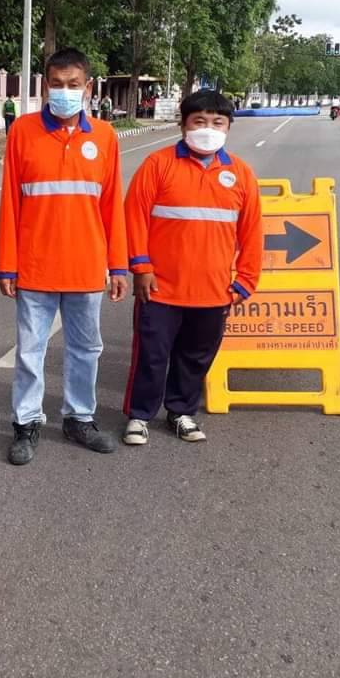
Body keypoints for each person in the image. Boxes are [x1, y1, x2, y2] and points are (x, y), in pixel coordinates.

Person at [0, 47, 128, 465]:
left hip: (87, 267)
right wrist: (7, 264)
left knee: (86, 349)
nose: (65, 91)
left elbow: (112, 206)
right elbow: (10, 204)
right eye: (57, 84)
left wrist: (118, 265)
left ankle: (79, 418)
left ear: (88, 88)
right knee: (29, 352)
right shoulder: (23, 132)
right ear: (45, 87)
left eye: (74, 85)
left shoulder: (104, 137)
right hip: (35, 266)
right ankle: (26, 422)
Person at [121, 90, 263, 446]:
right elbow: (133, 217)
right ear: (183, 124)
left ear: (228, 127)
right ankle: (139, 415)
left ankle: (181, 411)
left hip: (214, 291)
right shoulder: (157, 165)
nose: (208, 129)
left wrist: (245, 281)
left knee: (196, 356)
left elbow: (252, 232)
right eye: (199, 121)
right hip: (159, 288)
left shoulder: (241, 174)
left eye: (217, 122)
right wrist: (140, 266)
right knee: (151, 356)